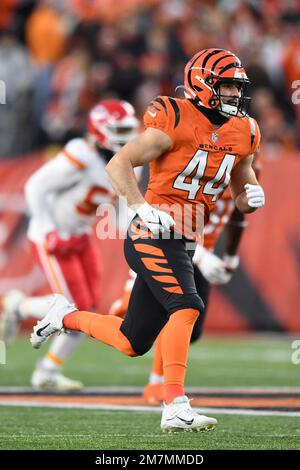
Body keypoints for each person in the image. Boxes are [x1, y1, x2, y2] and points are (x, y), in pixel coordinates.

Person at [30, 48, 265, 433]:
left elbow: (243, 188)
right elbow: (118, 163)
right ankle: (174, 404)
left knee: (131, 340)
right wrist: (138, 207)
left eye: (237, 88)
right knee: (188, 305)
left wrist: (251, 198)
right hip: (152, 233)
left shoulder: (245, 131)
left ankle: (63, 316)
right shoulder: (173, 118)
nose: (234, 96)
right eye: (226, 87)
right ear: (203, 85)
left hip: (186, 237)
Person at [0, 99, 139, 391]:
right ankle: (17, 305)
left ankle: (47, 370)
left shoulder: (129, 163)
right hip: (51, 235)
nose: (127, 138)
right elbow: (35, 186)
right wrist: (49, 230)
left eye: (129, 130)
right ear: (100, 131)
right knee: (72, 307)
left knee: (85, 310)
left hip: (81, 234)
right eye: (119, 130)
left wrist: (142, 233)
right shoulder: (82, 154)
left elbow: (124, 214)